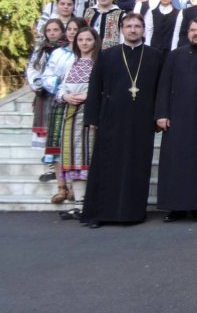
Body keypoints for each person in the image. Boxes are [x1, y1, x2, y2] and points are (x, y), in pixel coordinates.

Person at [80, 13, 164, 228]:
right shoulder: (107, 55)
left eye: (137, 26)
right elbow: (95, 87)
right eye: (129, 26)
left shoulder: (155, 56)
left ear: (144, 30)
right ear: (121, 29)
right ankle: (100, 213)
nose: (133, 30)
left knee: (137, 166)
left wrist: (159, 115)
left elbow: (161, 90)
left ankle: (132, 213)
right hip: (111, 118)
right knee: (106, 166)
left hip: (142, 120)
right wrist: (92, 117)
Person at [154, 18, 197, 221]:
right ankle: (176, 208)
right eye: (192, 30)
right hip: (177, 118)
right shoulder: (175, 55)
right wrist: (162, 113)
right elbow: (164, 85)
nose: (196, 33)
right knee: (176, 164)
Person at [49, 26, 98, 218]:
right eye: (81, 40)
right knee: (74, 158)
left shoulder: (99, 63)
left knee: (90, 157)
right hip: (70, 114)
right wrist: (65, 96)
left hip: (91, 114)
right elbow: (61, 88)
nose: (84, 43)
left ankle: (92, 203)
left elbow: (104, 87)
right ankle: (79, 203)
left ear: (95, 41)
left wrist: (88, 95)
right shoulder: (72, 63)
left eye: (88, 39)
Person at [26, 19, 66, 180]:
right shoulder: (41, 49)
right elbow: (32, 68)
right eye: (49, 30)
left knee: (60, 130)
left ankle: (62, 167)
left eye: (56, 30)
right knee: (47, 131)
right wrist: (37, 82)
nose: (52, 33)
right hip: (44, 94)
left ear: (62, 31)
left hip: (61, 93)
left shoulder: (67, 49)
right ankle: (50, 167)